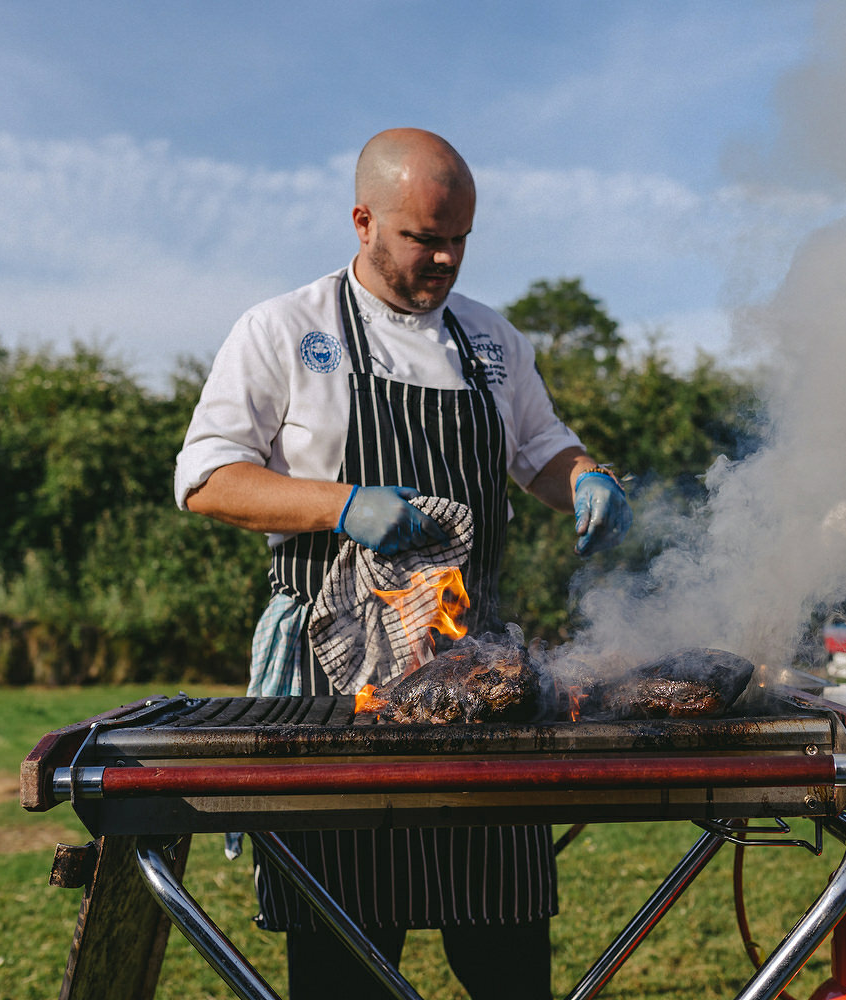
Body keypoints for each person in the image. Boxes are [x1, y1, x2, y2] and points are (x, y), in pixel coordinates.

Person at [173, 128, 632, 1000]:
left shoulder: (491, 340)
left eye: (460, 237)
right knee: (344, 955)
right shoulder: (286, 328)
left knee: (507, 953)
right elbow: (205, 478)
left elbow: (541, 448)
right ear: (363, 221)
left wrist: (586, 478)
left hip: (480, 683)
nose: (447, 257)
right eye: (425, 237)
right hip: (342, 694)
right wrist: (340, 504)